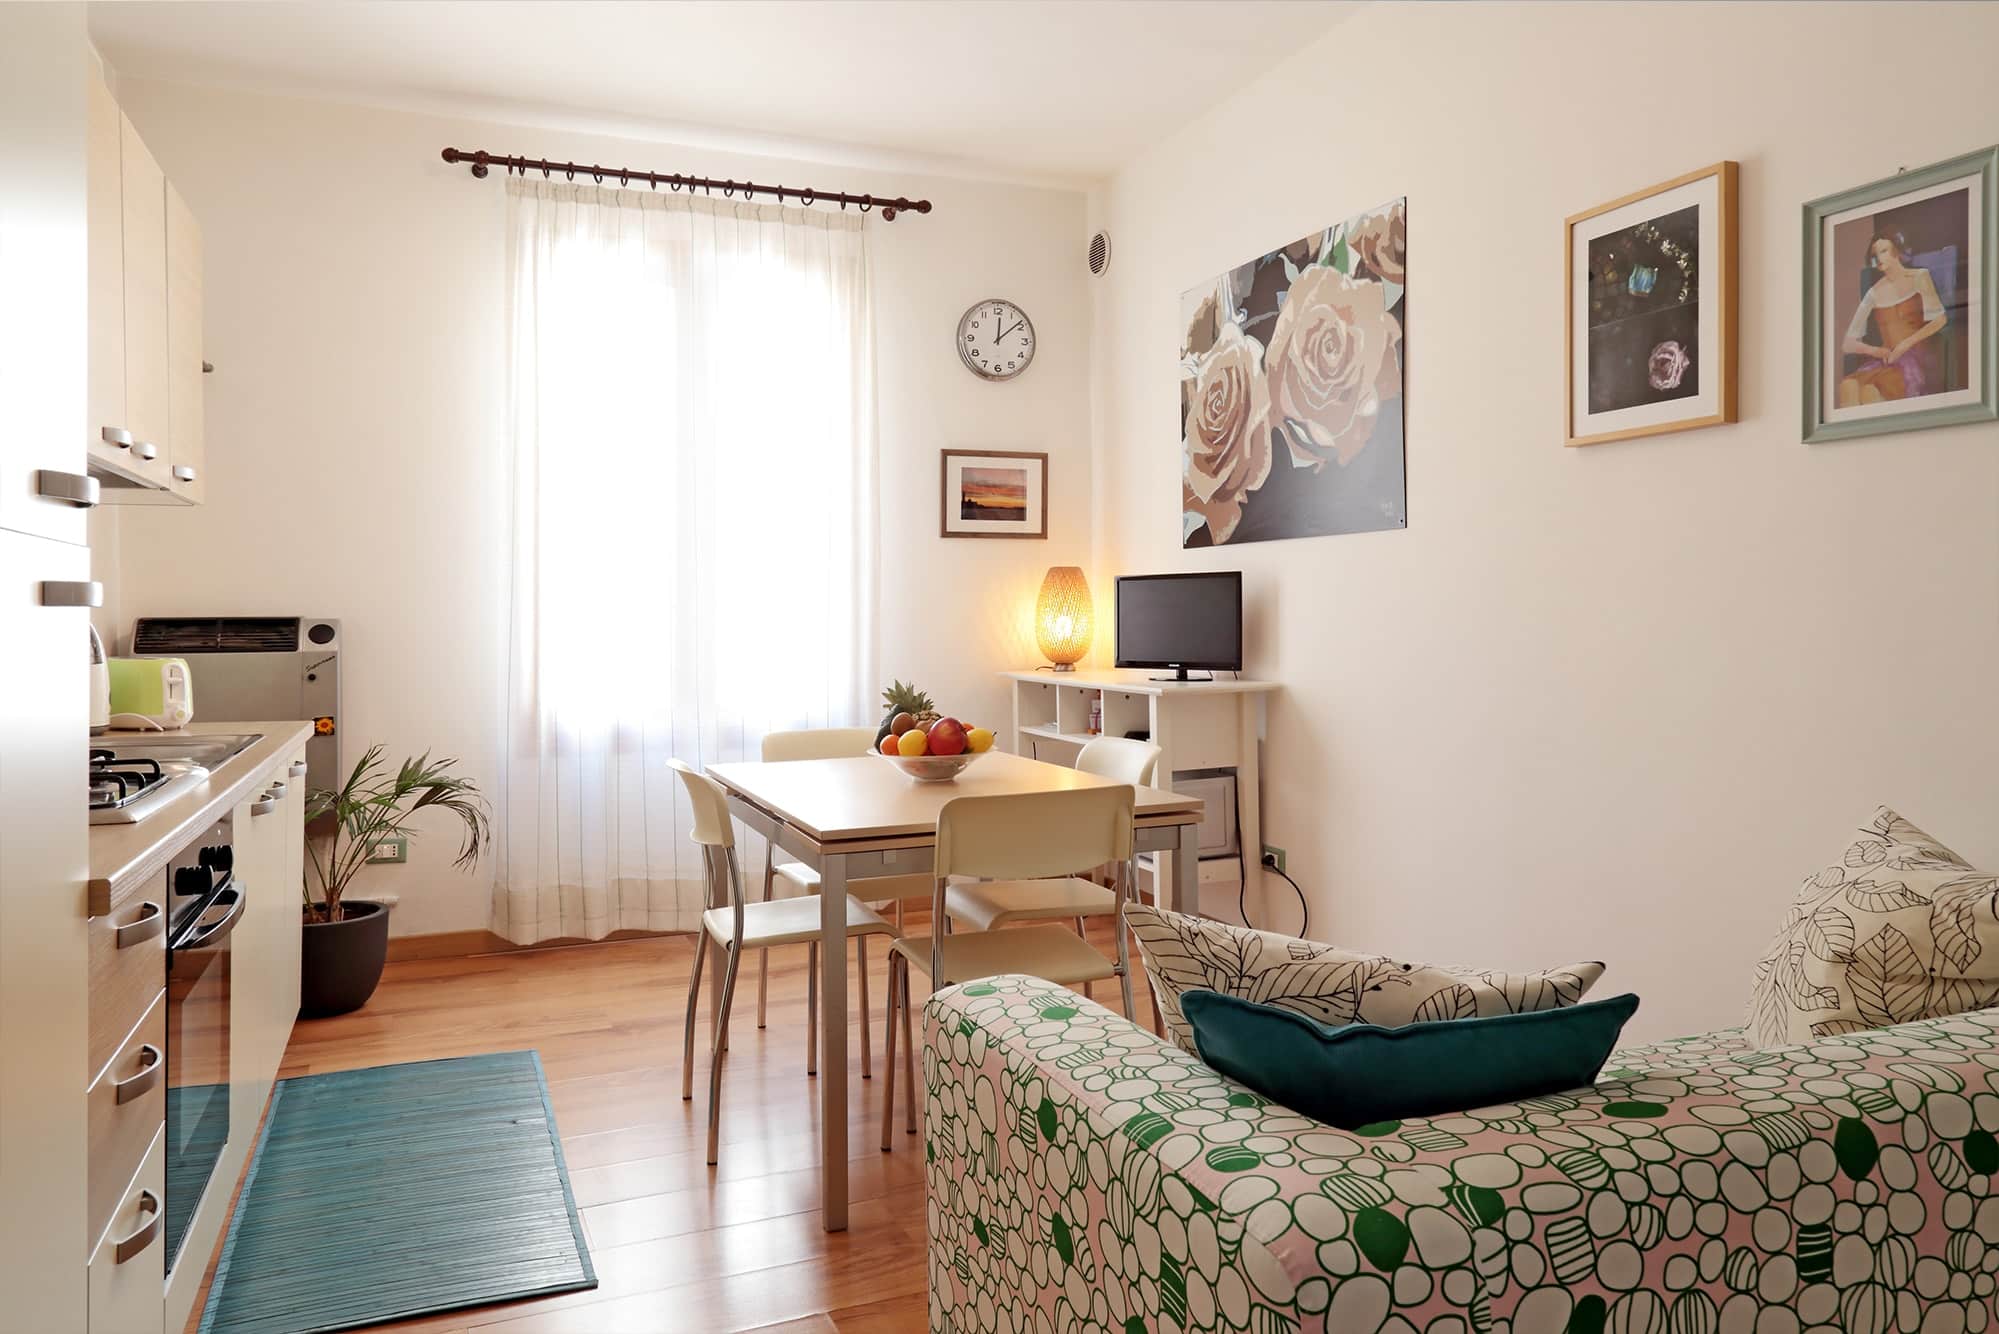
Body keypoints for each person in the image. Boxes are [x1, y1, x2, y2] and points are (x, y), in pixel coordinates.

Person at [1839, 234, 1948, 405]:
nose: (1878, 258)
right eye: (1874, 254)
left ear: (1896, 252)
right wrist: (1876, 351)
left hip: (1915, 359)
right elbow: (1847, 344)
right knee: (1848, 385)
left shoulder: (1919, 276)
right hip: (1887, 360)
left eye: (1883, 251)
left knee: (1870, 391)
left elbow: (1940, 320)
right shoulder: (1874, 292)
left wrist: (1904, 344)